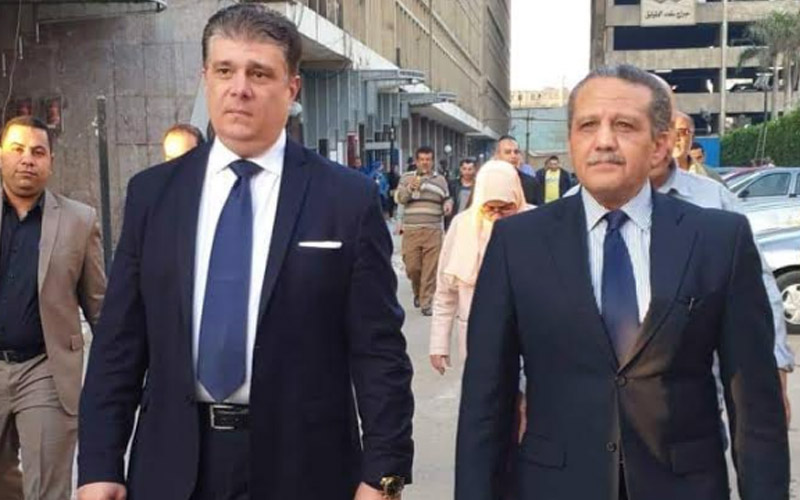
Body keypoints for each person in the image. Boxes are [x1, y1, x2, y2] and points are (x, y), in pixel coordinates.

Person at [77, 5, 414, 500]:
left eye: (259, 73)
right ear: (205, 78)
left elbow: (379, 350)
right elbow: (118, 344)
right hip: (174, 464)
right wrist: (99, 464)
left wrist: (384, 474)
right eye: (224, 70)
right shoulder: (154, 195)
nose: (239, 88)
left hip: (304, 466)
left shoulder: (345, 200)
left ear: (292, 89)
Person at [456, 64, 789, 500]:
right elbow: (486, 398)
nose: (604, 141)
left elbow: (754, 405)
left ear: (660, 145)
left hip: (684, 487)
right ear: (571, 141)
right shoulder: (517, 242)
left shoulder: (718, 239)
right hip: (553, 485)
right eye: (587, 126)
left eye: (625, 126)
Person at [0, 116, 106, 500]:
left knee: (46, 488)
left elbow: (99, 304)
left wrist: (121, 376)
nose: (27, 159)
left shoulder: (79, 221)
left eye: (38, 152)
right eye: (17, 149)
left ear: (50, 162)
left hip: (45, 368)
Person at [430, 160, 527, 374]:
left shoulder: (534, 223)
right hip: (476, 334)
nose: (497, 215)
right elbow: (445, 292)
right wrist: (439, 344)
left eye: (506, 208)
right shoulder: (462, 225)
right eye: (490, 208)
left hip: (527, 338)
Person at [396, 146, 453, 316]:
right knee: (412, 267)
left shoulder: (440, 180)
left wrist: (448, 205)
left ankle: (426, 302)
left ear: (432, 161)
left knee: (430, 269)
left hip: (433, 230)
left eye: (428, 159)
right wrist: (410, 188)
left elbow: (447, 198)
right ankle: (418, 292)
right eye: (422, 160)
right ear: (416, 161)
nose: (425, 163)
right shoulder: (406, 178)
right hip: (412, 231)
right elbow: (400, 199)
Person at [672, 112, 725, 185]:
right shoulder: (655, 177)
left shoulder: (711, 177)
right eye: (670, 132)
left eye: (682, 132)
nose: (676, 138)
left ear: (692, 137)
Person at [493, 135, 542, 205]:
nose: (513, 156)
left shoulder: (532, 184)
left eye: (516, 152)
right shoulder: (486, 182)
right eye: (508, 152)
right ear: (497, 156)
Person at [445, 158, 477, 229]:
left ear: (474, 170)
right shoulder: (452, 185)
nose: (467, 172)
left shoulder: (479, 186)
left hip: (472, 224)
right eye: (464, 169)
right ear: (460, 169)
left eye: (470, 169)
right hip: (456, 223)